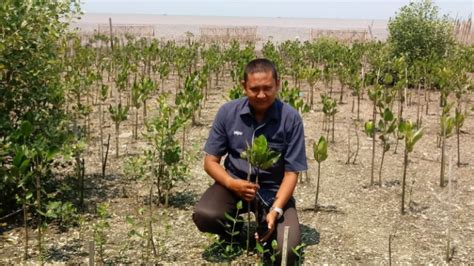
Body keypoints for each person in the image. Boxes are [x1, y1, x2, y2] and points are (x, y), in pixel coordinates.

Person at [193, 58, 307, 264]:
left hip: (274, 192)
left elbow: (292, 173)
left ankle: (267, 228)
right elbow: (210, 161)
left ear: (278, 85)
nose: (262, 95)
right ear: (244, 87)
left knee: (287, 253)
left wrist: (276, 210)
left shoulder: (291, 118)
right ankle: (235, 234)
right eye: (255, 89)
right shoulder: (228, 113)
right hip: (233, 184)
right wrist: (231, 183)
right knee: (205, 215)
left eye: (268, 88)